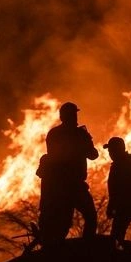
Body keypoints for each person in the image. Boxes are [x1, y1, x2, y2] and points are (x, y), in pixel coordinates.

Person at [37, 102, 99, 245]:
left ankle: (58, 249)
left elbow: (53, 155)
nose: (75, 117)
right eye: (73, 114)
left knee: (64, 223)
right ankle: (87, 247)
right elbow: (93, 155)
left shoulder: (54, 134)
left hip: (60, 187)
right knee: (89, 216)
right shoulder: (79, 134)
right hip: (73, 185)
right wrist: (85, 141)